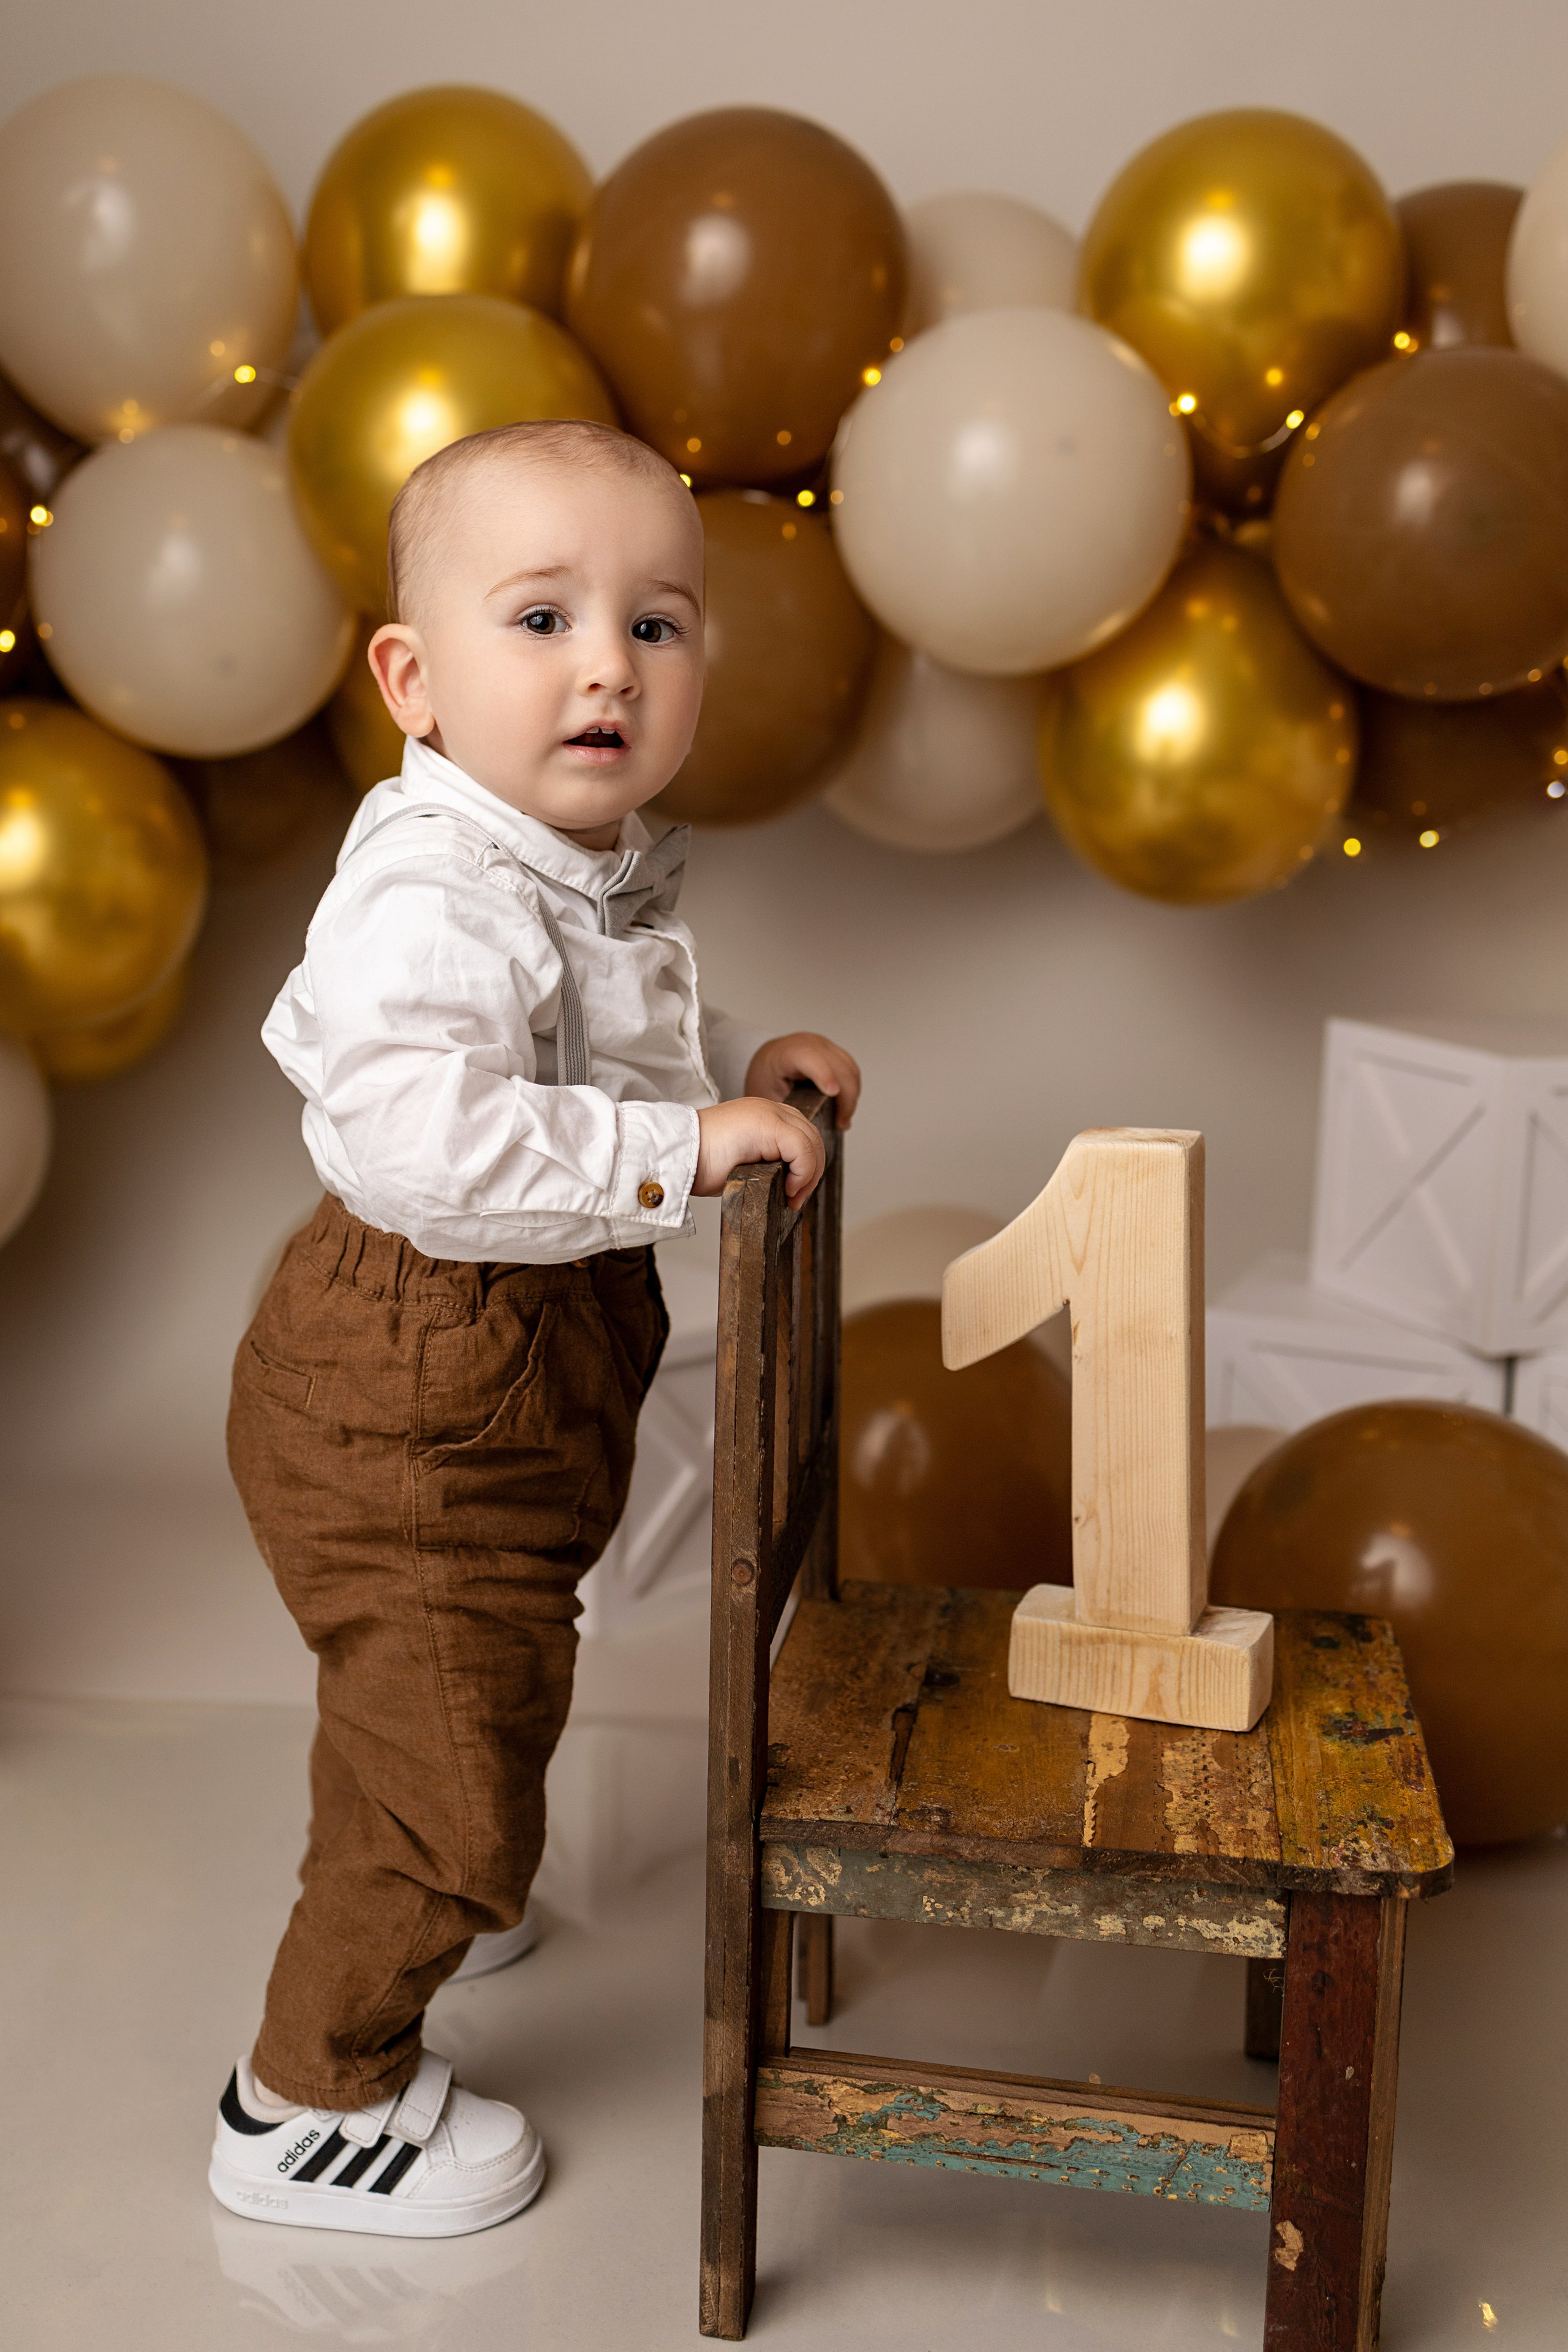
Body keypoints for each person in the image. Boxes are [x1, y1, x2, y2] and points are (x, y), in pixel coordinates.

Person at [209, 419, 859, 2237]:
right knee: (451, 1752)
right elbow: (429, 1142)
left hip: (509, 1380)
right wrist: (681, 1148)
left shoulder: (583, 859)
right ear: (413, 682)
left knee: (478, 1688)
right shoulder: (434, 887)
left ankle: (428, 1869)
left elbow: (604, 1066)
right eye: (543, 618)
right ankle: (304, 2094)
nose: (607, 666)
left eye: (657, 627)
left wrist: (735, 1084)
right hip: (409, 1378)